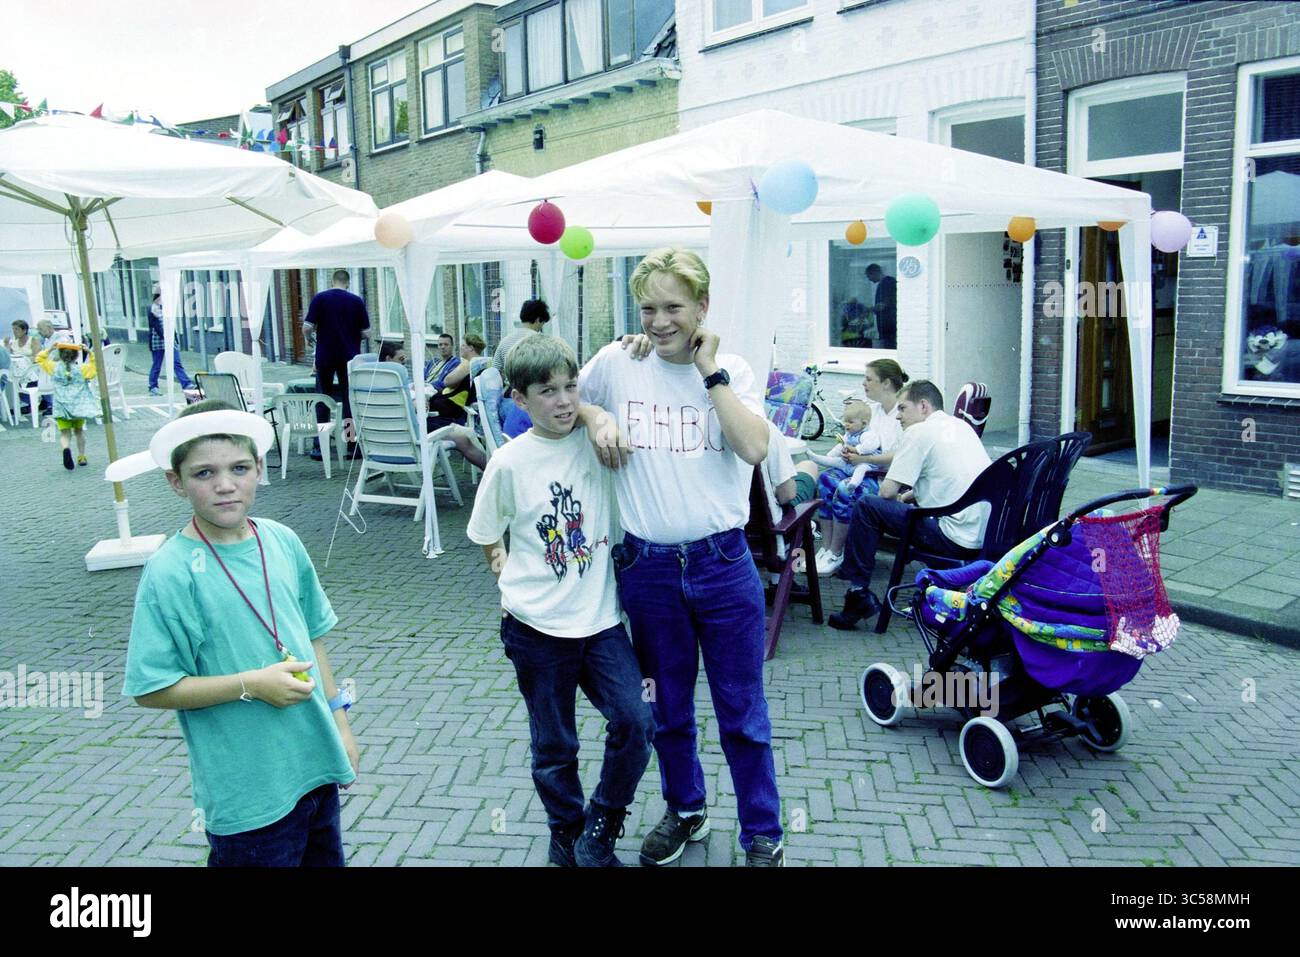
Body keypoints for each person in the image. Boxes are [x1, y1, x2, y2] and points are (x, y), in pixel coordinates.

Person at [577, 247, 785, 867]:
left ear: (702, 307)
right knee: (666, 707)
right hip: (649, 569)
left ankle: (762, 834)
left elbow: (753, 448)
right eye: (648, 309)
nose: (659, 322)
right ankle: (686, 809)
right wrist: (593, 416)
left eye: (673, 307)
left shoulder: (734, 372)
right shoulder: (618, 360)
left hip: (723, 565)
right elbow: (563, 399)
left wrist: (711, 372)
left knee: (742, 714)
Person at [121, 399, 360, 866]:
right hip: (248, 795)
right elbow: (152, 688)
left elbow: (313, 636)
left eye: (239, 467)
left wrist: (340, 725)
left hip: (315, 767)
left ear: (259, 468)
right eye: (204, 473)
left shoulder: (281, 539)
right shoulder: (171, 572)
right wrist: (253, 684)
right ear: (176, 482)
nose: (226, 485)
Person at [467, 336, 655, 868]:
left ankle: (601, 825)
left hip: (600, 623)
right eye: (546, 391)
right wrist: (502, 568)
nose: (563, 400)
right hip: (535, 629)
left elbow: (612, 396)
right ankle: (565, 835)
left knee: (637, 722)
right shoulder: (508, 462)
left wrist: (598, 412)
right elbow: (485, 530)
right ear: (519, 399)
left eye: (570, 386)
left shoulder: (599, 439)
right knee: (556, 745)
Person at [829, 380, 992, 630]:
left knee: (866, 506)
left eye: (903, 408)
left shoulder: (918, 432)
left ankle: (857, 593)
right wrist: (909, 497)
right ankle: (932, 593)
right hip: (979, 533)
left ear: (923, 406)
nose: (898, 417)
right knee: (894, 507)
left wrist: (896, 497)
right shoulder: (961, 426)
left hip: (951, 536)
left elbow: (886, 492)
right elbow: (947, 479)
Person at [808, 400, 884, 575]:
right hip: (849, 465)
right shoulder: (869, 411)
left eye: (869, 379)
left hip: (873, 473)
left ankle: (837, 552)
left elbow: (873, 450)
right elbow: (839, 446)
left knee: (845, 488)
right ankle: (826, 547)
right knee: (826, 479)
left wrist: (857, 452)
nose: (847, 425)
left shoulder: (881, 426)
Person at [303, 269, 369, 458]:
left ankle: (319, 446)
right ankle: (351, 444)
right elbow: (367, 332)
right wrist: (351, 334)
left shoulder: (320, 298)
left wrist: (309, 339)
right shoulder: (356, 301)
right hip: (350, 357)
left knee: (322, 399)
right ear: (347, 283)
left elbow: (307, 327)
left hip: (325, 356)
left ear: (332, 281)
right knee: (349, 400)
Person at [36, 341, 99, 470]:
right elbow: (95, 367)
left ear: (60, 354)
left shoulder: (54, 367)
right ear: (76, 356)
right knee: (79, 432)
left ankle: (66, 448)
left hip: (61, 406)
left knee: (64, 434)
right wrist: (90, 352)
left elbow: (39, 359)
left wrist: (49, 349)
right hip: (78, 407)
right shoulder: (82, 369)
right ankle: (81, 456)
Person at [147, 288, 196, 395]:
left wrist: (174, 338)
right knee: (157, 364)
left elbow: (170, 324)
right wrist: (165, 337)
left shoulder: (167, 308)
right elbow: (155, 325)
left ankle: (186, 384)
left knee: (176, 363)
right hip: (158, 342)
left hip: (170, 340)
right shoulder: (153, 308)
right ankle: (152, 387)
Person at [865, 264, 897, 349]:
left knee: (890, 349)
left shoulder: (886, 283)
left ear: (875, 272)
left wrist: (868, 309)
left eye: (869, 276)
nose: (869, 279)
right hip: (888, 326)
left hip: (889, 326)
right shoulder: (887, 282)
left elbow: (883, 305)